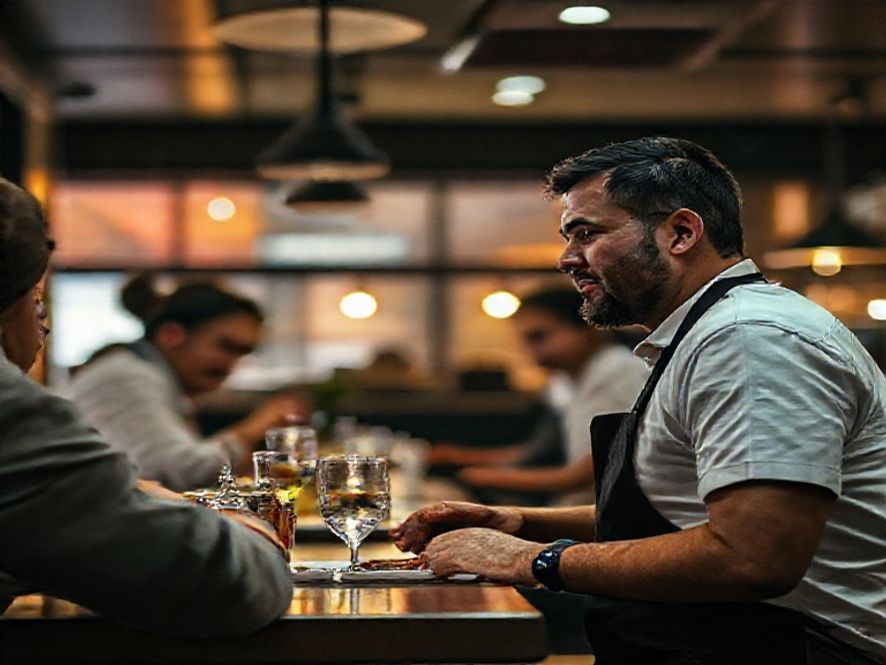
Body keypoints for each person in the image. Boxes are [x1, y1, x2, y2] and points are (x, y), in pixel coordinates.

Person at [392, 137, 886, 664]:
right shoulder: (703, 334)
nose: (567, 259)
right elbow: (681, 511)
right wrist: (519, 520)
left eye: (588, 233)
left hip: (806, 649)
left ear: (681, 233)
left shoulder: (750, 340)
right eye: (568, 237)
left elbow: (750, 558)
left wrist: (533, 560)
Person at [0, 177, 292, 636]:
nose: (43, 327)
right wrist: (251, 525)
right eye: (36, 302)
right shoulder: (116, 380)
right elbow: (219, 581)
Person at [67, 274, 307, 491]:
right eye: (225, 346)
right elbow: (181, 472)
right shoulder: (127, 377)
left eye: (242, 353)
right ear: (171, 335)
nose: (232, 365)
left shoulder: (149, 375)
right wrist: (257, 425)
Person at [432, 286, 648, 504]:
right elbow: (538, 453)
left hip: (600, 512)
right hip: (576, 504)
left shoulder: (617, 371)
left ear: (589, 328)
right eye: (524, 340)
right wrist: (459, 457)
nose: (529, 350)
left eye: (538, 336)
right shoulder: (563, 381)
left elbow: (595, 471)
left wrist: (478, 476)